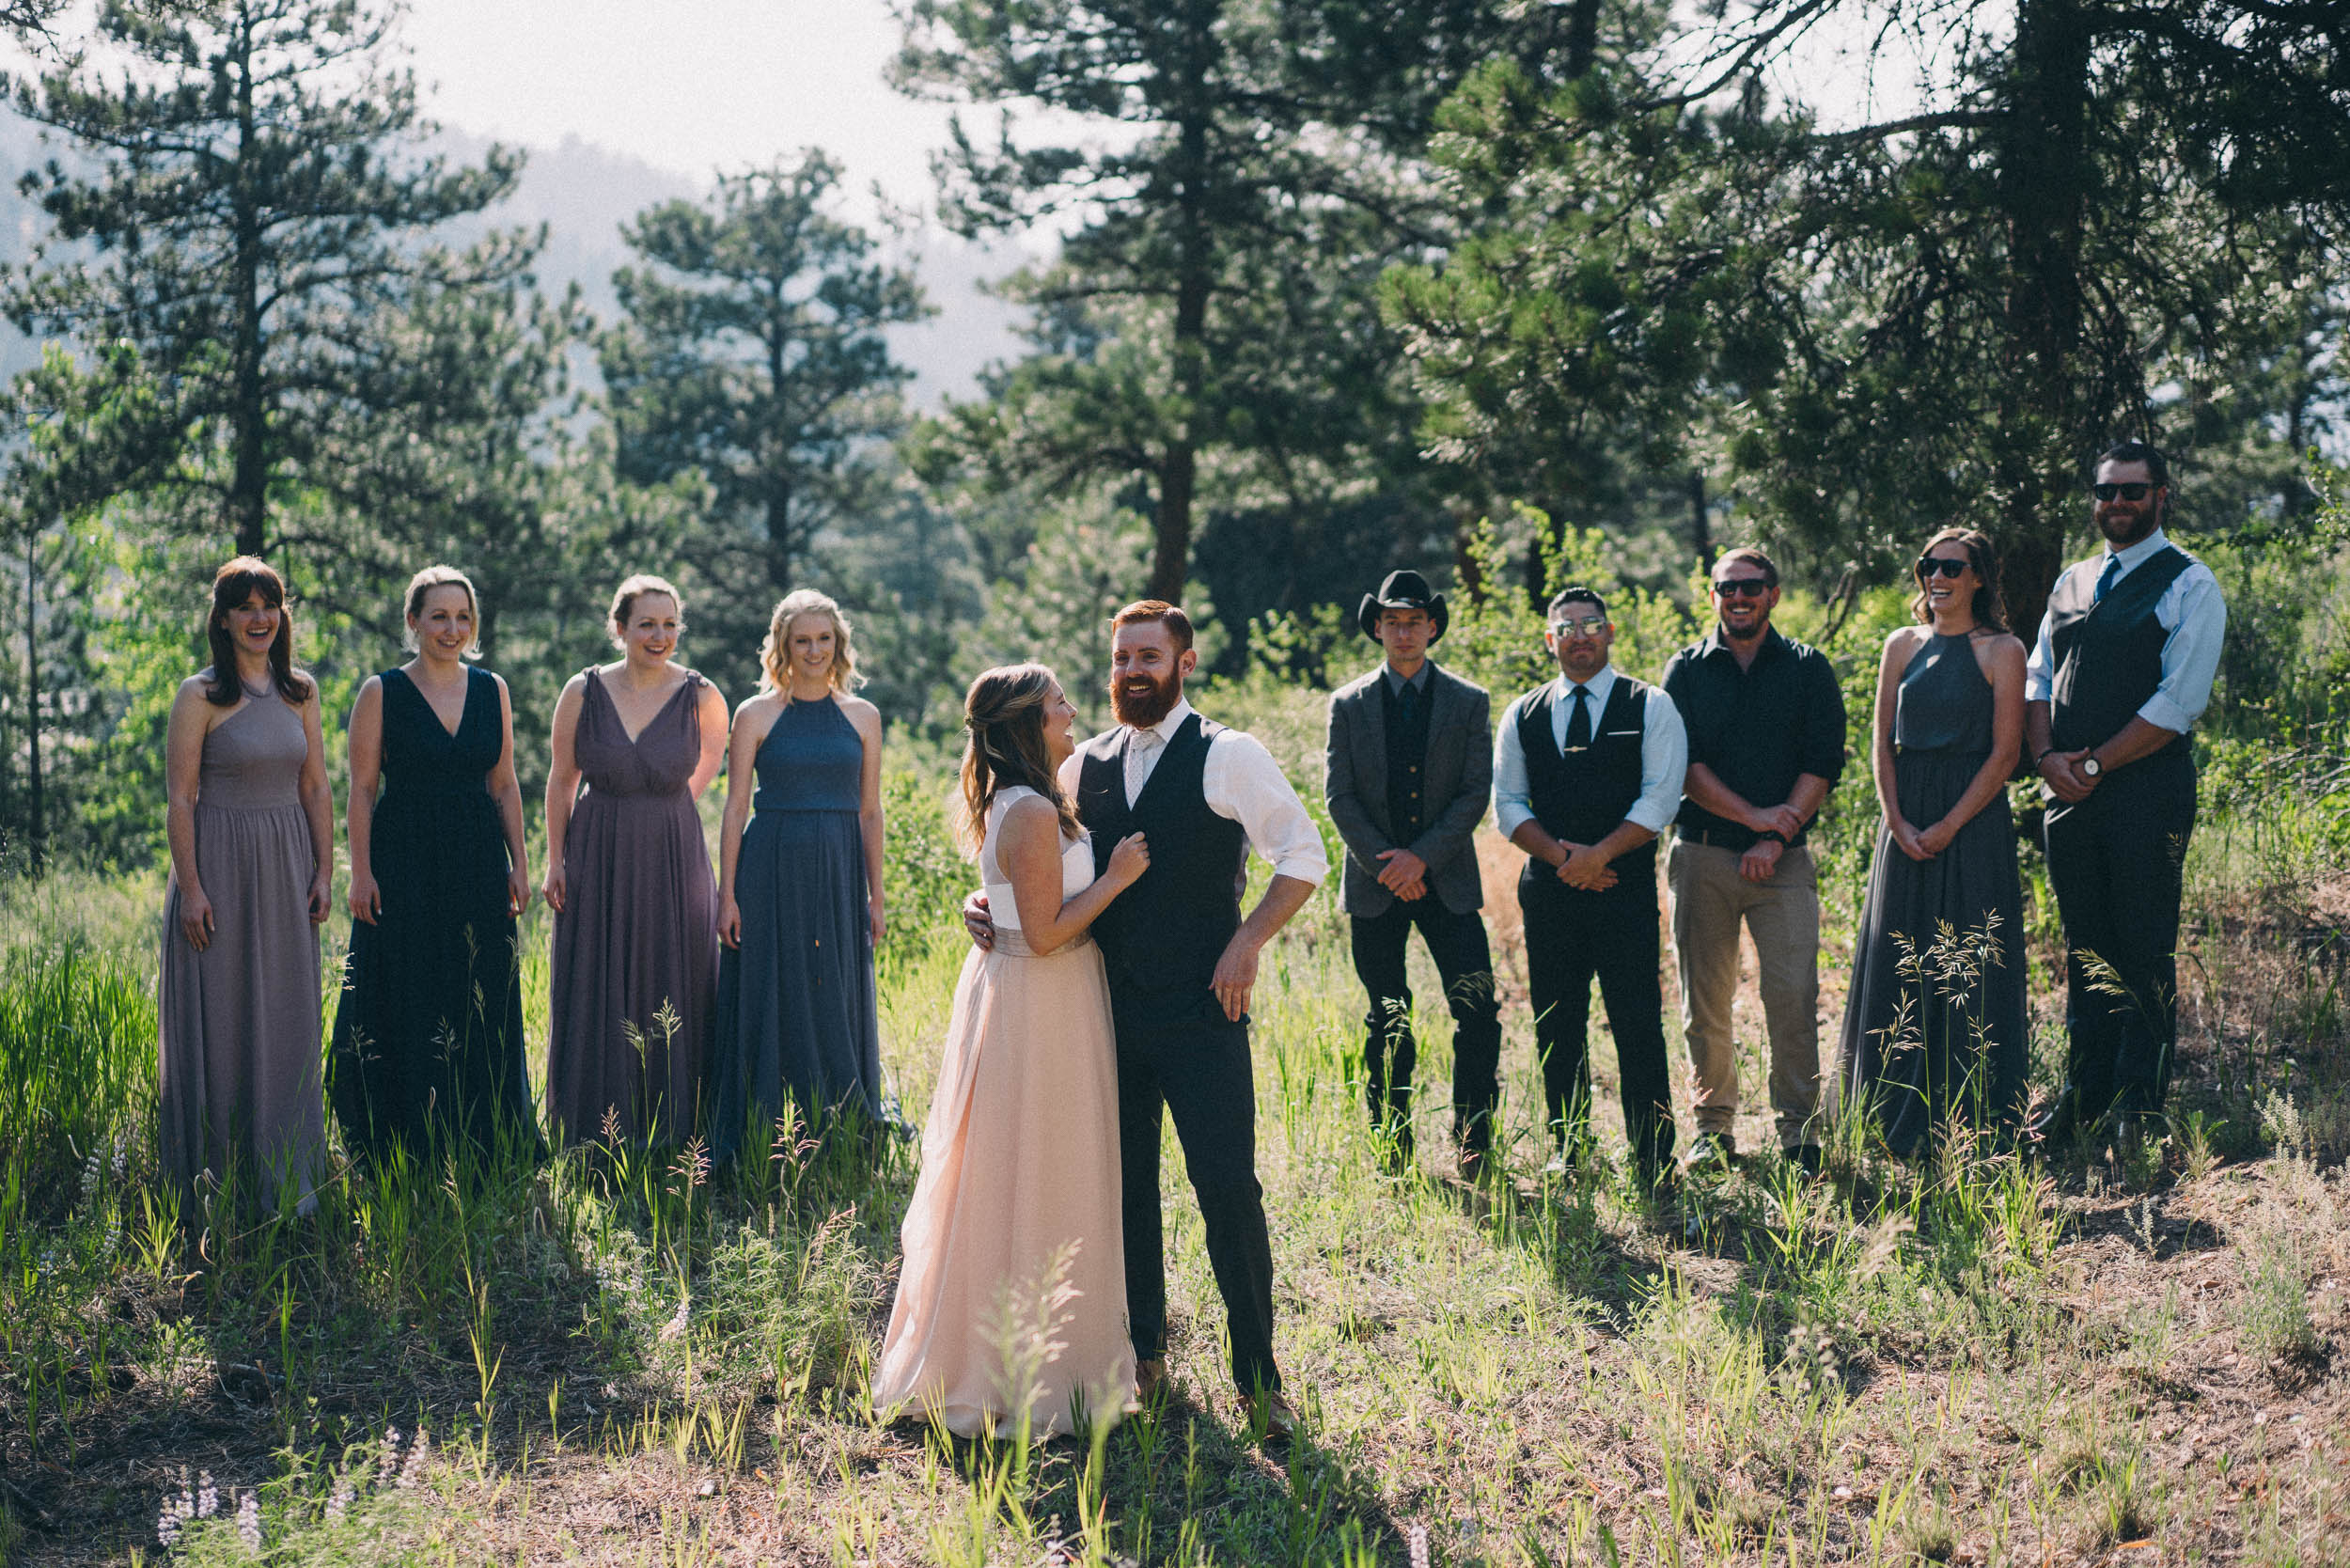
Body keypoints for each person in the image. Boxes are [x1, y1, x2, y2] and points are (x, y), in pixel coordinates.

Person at [964, 601, 1326, 1439]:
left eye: (1149, 656)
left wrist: (1247, 943)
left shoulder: (1229, 755)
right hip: (1099, 1017)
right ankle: (1145, 1359)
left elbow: (1303, 856)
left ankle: (1258, 1376)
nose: (1132, 669)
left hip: (1205, 1011)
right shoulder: (1079, 763)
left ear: (1185, 664)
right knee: (1121, 1192)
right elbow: (1026, 860)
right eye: (1121, 655)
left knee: (1227, 1189)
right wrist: (980, 905)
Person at [874, 666, 1149, 1438]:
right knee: (1033, 1170)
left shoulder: (1034, 795)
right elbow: (1046, 930)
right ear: (1030, 722)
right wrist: (1119, 878)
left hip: (1050, 998)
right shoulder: (1028, 808)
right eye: (1058, 701)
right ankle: (1019, 1369)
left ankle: (1057, 1352)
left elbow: (1017, 904)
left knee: (1041, 1167)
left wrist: (987, 899)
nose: (1072, 709)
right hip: (1040, 998)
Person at [2026, 440, 2225, 1144]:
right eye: (2107, 491)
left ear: (2161, 496)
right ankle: (2086, 1095)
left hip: (2145, 794)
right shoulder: (2073, 582)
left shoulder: (2190, 584)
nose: (2117, 503)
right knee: (2085, 947)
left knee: (2143, 949)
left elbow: (2179, 703)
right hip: (2066, 795)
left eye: (2132, 492)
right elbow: (2037, 678)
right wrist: (2047, 757)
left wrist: (2094, 767)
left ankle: (2139, 1109)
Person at [331, 566, 538, 1168]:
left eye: (463, 617)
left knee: (477, 991)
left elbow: (504, 785)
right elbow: (362, 790)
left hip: (477, 861)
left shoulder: (492, 688)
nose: (452, 629)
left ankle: (482, 1141)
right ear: (413, 621)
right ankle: (400, 1143)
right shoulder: (382, 692)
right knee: (405, 992)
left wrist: (520, 864)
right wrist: (360, 871)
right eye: (439, 616)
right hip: (404, 862)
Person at [1840, 529, 2031, 1154]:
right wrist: (1896, 821)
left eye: (1953, 566)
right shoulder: (1902, 644)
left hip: (1971, 826)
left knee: (1969, 965)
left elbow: (2006, 753)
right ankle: (1890, 1114)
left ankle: (1974, 1117)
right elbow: (1881, 743)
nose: (1938, 576)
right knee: (1899, 959)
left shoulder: (2002, 649)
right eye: (1929, 565)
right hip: (1905, 822)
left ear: (1979, 577)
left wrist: (1949, 824)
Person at [1661, 547, 1847, 1177]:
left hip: (1785, 863)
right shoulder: (1684, 671)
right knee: (1704, 1002)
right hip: (1703, 857)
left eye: (1751, 586)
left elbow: (1823, 763)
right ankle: (1713, 1130)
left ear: (1773, 593)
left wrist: (1779, 833)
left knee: (1792, 996)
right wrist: (1754, 820)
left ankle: (1799, 1135)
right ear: (1711, 595)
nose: (1739, 597)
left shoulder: (1807, 668)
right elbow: (1682, 768)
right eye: (1727, 587)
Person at [1496, 587, 1687, 1194]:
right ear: (1550, 641)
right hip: (1548, 891)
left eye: (1591, 624)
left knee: (1637, 1021)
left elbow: (1661, 795)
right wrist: (1562, 859)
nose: (1579, 635)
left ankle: (1654, 1158)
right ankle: (1569, 1149)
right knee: (1557, 1020)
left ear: (1609, 634)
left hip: (1623, 888)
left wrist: (1600, 855)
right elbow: (1507, 803)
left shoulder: (1650, 704)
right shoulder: (1522, 713)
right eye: (1567, 627)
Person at [158, 557, 334, 1212]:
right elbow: (180, 799)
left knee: (286, 1014)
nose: (259, 618)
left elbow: (316, 785)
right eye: (245, 606)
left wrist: (325, 867)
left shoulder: (301, 692)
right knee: (225, 1019)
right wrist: (192, 887)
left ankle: (289, 1185)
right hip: (220, 873)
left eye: (270, 605)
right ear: (224, 619)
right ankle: (216, 1187)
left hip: (288, 871)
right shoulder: (199, 695)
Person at [1324, 569, 1502, 1180]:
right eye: (1393, 621)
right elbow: (1339, 798)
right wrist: (1389, 865)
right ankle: (1392, 1141)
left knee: (1477, 1008)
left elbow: (1476, 792)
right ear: (1378, 628)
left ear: (1433, 628)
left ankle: (1474, 1138)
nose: (1404, 632)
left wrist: (1421, 858)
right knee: (1389, 1013)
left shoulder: (1468, 700)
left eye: (1415, 621)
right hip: (1375, 889)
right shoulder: (1347, 704)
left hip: (1447, 883)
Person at [542, 574, 728, 1146]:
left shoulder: (702, 694)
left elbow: (707, 771)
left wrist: (657, 811)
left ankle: (674, 1133)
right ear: (619, 628)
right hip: (595, 849)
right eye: (647, 624)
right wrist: (555, 860)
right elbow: (561, 780)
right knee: (599, 976)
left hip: (673, 853)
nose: (660, 635)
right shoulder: (583, 691)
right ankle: (594, 1132)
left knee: (674, 975)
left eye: (670, 624)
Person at [710, 589, 886, 1164]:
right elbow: (735, 808)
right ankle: (766, 1125)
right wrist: (726, 894)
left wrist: (876, 895)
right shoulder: (756, 713)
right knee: (773, 982)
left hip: (839, 867)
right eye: (802, 640)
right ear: (783, 645)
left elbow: (870, 810)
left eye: (824, 639)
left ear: (840, 644)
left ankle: (840, 1119)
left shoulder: (862, 716)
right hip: (770, 864)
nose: (814, 650)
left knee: (832, 983)